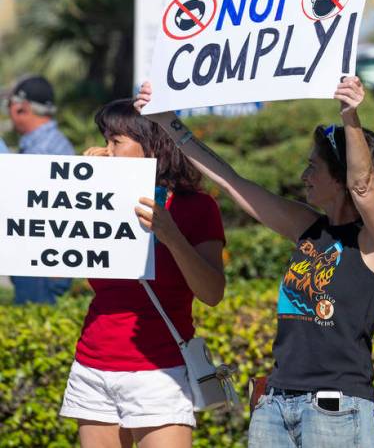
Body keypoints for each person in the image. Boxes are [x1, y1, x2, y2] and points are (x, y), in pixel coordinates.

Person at [135, 76, 374, 447]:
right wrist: (168, 122)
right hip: (275, 403)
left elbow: (364, 186)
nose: (304, 176)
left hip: (335, 409)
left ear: (339, 178)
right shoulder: (308, 226)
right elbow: (230, 181)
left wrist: (350, 117)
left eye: (313, 167)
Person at [59, 98, 226, 448]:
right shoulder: (103, 200)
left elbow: (211, 293)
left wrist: (170, 235)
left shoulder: (194, 207)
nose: (105, 150)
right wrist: (82, 192)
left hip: (160, 369)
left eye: (115, 141)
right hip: (94, 364)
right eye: (105, 139)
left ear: (151, 144)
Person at [4, 74, 75, 304]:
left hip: (42, 263)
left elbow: (19, 193)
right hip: (43, 260)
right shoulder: (50, 143)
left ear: (21, 108)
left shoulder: (45, 148)